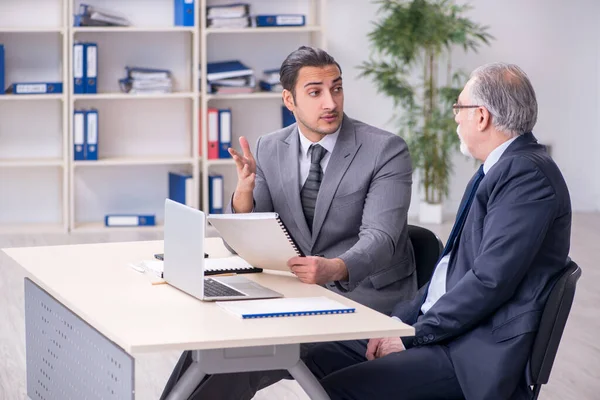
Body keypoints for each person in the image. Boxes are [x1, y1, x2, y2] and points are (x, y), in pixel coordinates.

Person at [159, 46, 417, 399]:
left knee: (241, 357)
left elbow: (382, 239)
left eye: (336, 88)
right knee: (208, 350)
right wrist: (244, 195)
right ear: (289, 99)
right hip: (294, 296)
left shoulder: (385, 150)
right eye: (315, 92)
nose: (330, 102)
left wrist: (335, 268)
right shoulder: (269, 148)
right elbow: (245, 244)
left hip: (362, 307)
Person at [303, 62, 573, 400]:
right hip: (450, 333)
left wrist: (413, 335)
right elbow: (451, 273)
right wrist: (397, 326)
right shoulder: (499, 169)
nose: (455, 117)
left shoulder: (526, 176)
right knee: (319, 356)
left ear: (482, 116)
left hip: (471, 352)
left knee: (339, 389)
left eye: (459, 107)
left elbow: (490, 281)